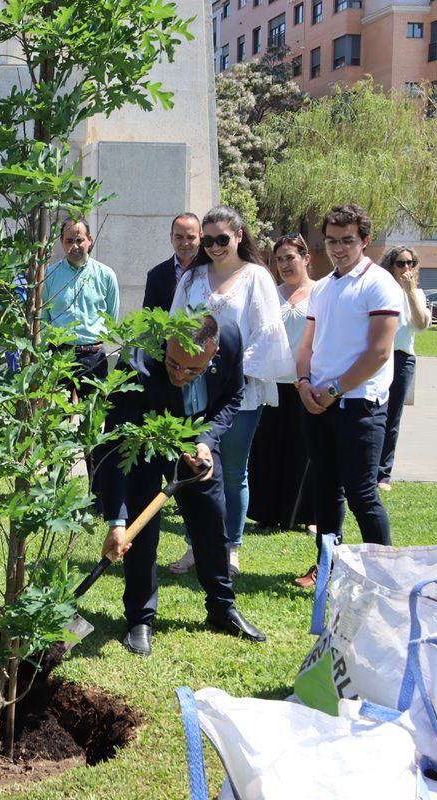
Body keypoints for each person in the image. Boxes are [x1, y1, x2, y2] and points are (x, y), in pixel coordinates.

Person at [98, 316, 267, 656]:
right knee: (142, 533)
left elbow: (232, 397)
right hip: (143, 440)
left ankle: (222, 608)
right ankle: (140, 619)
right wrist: (118, 521)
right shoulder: (138, 358)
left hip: (194, 443)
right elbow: (114, 444)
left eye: (193, 371)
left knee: (212, 521)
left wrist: (206, 441)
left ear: (214, 354)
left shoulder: (230, 339)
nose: (179, 375)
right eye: (173, 364)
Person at [168, 205, 292, 577]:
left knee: (234, 471)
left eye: (222, 239)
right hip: (193, 391)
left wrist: (226, 370)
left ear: (239, 236)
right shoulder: (192, 279)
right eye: (208, 240)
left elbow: (267, 333)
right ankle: (195, 546)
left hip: (241, 392)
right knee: (194, 471)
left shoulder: (256, 277)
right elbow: (174, 326)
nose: (215, 247)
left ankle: (230, 548)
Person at [294, 204, 403, 588]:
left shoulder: (380, 284)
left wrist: (334, 389)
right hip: (318, 403)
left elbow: (378, 352)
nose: (339, 249)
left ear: (365, 240)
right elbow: (307, 346)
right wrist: (305, 383)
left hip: (360, 407)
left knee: (361, 494)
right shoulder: (323, 287)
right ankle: (328, 565)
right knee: (325, 490)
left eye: (348, 241)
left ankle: (385, 576)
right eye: (332, 241)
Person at [42, 218, 119, 497]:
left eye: (79, 239)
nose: (74, 246)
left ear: (90, 241)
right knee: (57, 423)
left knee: (92, 425)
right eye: (68, 240)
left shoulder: (105, 275)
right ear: (61, 243)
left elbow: (112, 316)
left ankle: (96, 492)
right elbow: (44, 318)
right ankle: (55, 488)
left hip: (93, 357)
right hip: (59, 356)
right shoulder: (49, 276)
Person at [246, 233, 316, 531]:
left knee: (304, 452)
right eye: (279, 260)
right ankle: (267, 512)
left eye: (291, 257)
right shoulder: (270, 294)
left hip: (306, 382)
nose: (285, 264)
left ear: (306, 258)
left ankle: (305, 515)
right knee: (268, 449)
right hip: (273, 382)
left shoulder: (321, 292)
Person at [376, 246, 431, 491]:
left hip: (403, 359)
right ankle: (366, 467)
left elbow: (420, 325)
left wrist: (410, 293)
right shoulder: (381, 290)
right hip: (379, 357)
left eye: (411, 263)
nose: (406, 268)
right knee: (374, 412)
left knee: (392, 417)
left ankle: (383, 474)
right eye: (401, 263)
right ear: (390, 265)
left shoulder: (417, 294)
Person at [143, 213, 201, 312]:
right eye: (179, 237)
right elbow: (148, 318)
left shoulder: (212, 270)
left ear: (200, 237)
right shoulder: (156, 275)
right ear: (171, 237)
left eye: (191, 237)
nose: (185, 243)